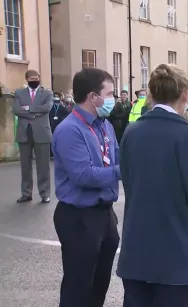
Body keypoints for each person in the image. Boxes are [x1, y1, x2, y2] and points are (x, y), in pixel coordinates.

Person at [118, 64, 188, 307]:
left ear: (151, 93)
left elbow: (128, 180)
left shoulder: (132, 131)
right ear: (185, 94)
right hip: (176, 249)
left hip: (137, 246)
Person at [51, 68, 120, 306]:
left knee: (99, 285)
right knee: (78, 287)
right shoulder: (70, 130)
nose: (113, 99)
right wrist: (126, 171)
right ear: (93, 96)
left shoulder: (105, 126)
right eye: (109, 94)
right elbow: (84, 175)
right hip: (79, 217)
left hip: (104, 214)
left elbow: (117, 157)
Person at [12, 70, 53, 204]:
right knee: (25, 166)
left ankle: (45, 193)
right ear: (27, 79)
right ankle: (26, 193)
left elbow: (47, 108)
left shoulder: (47, 93)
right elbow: (16, 110)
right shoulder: (19, 93)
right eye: (31, 78)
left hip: (42, 133)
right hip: (24, 133)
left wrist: (28, 108)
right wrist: (33, 113)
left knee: (43, 166)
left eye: (36, 78)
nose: (34, 80)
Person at [49, 93, 70, 158]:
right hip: (51, 125)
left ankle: (58, 153)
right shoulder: (51, 107)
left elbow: (67, 112)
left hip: (59, 125)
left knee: (59, 140)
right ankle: (51, 154)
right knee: (51, 140)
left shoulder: (62, 107)